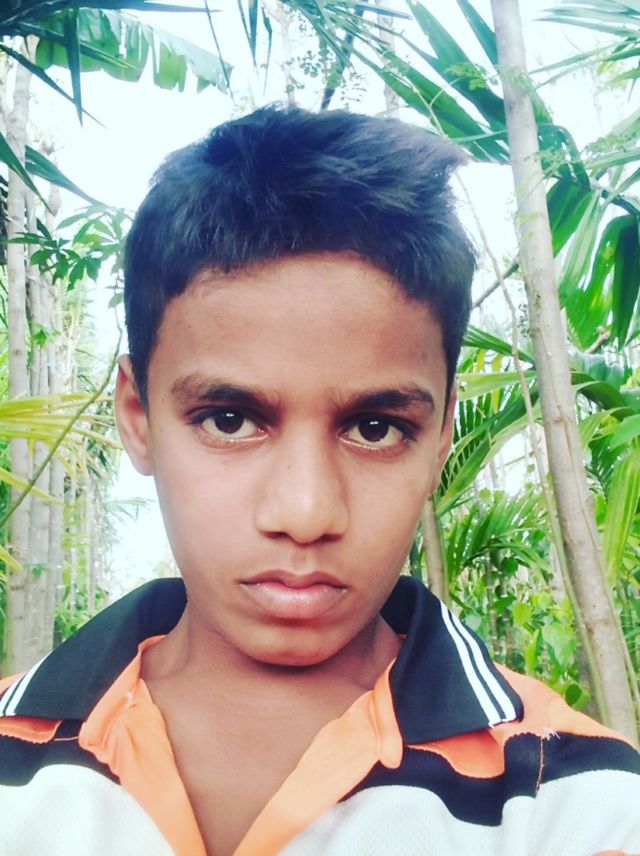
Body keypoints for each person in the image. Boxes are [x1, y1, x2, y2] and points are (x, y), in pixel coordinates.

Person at [0, 106, 638, 856]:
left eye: (375, 428)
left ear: (440, 436)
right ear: (138, 417)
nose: (305, 513)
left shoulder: (575, 803)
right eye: (230, 420)